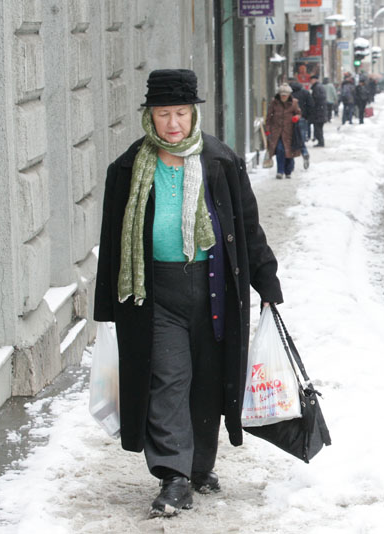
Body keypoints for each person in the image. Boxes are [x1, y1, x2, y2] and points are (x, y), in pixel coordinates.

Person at [94, 69, 283, 518]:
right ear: (150, 116)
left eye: (181, 112)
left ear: (193, 113)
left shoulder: (220, 161)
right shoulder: (127, 168)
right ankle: (173, 476)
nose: (173, 123)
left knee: (209, 381)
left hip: (215, 287)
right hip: (154, 292)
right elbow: (112, 237)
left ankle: (200, 466)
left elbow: (246, 227)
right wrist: (105, 306)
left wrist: (267, 279)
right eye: (164, 114)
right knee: (168, 378)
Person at [266, 83, 303, 179]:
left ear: (289, 95)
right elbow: (269, 117)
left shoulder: (294, 103)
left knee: (289, 152)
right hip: (276, 132)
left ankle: (288, 171)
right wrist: (268, 130)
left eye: (285, 95)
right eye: (282, 95)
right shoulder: (274, 103)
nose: (283, 97)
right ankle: (280, 171)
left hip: (290, 132)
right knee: (280, 150)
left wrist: (296, 117)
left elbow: (299, 113)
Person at [290, 80, 313, 169]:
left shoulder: (289, 95)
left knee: (290, 140)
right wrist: (306, 116)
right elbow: (311, 105)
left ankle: (291, 163)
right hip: (302, 118)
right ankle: (304, 152)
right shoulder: (305, 92)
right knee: (300, 138)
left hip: (291, 119)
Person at [309, 74, 327, 147]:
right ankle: (320, 141)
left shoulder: (316, 88)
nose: (311, 82)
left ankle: (321, 142)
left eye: (312, 80)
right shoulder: (319, 87)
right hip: (321, 111)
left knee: (318, 128)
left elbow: (316, 100)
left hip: (318, 112)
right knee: (319, 128)